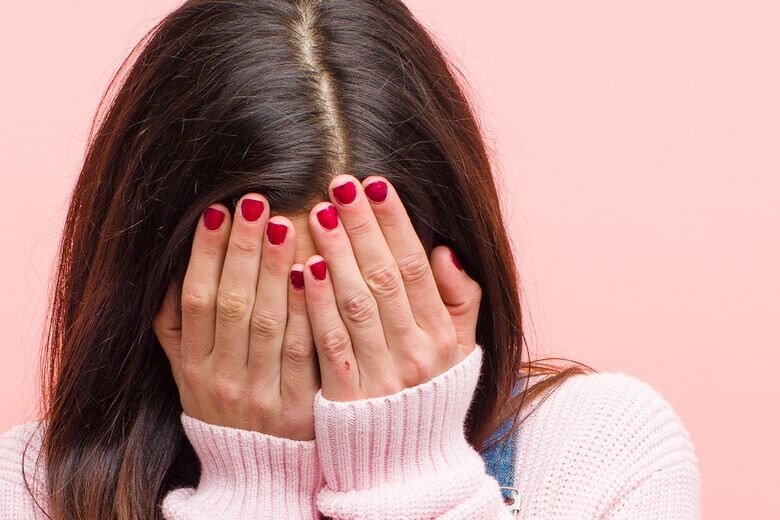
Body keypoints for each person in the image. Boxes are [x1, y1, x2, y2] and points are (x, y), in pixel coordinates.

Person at [0, 0, 700, 518]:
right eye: (261, 314)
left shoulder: (602, 450)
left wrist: (412, 474)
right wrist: (253, 487)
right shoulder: (25, 492)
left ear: (451, 279)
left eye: (365, 304)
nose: (321, 357)